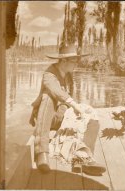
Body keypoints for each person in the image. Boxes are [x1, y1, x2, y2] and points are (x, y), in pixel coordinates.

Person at [29, 44, 105, 175]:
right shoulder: (49, 73)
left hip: (62, 114)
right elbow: (56, 91)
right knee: (48, 96)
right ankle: (42, 152)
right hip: (47, 116)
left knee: (91, 116)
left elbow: (69, 99)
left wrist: (80, 112)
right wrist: (75, 105)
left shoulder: (69, 75)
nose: (77, 64)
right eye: (74, 61)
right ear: (63, 61)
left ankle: (84, 157)